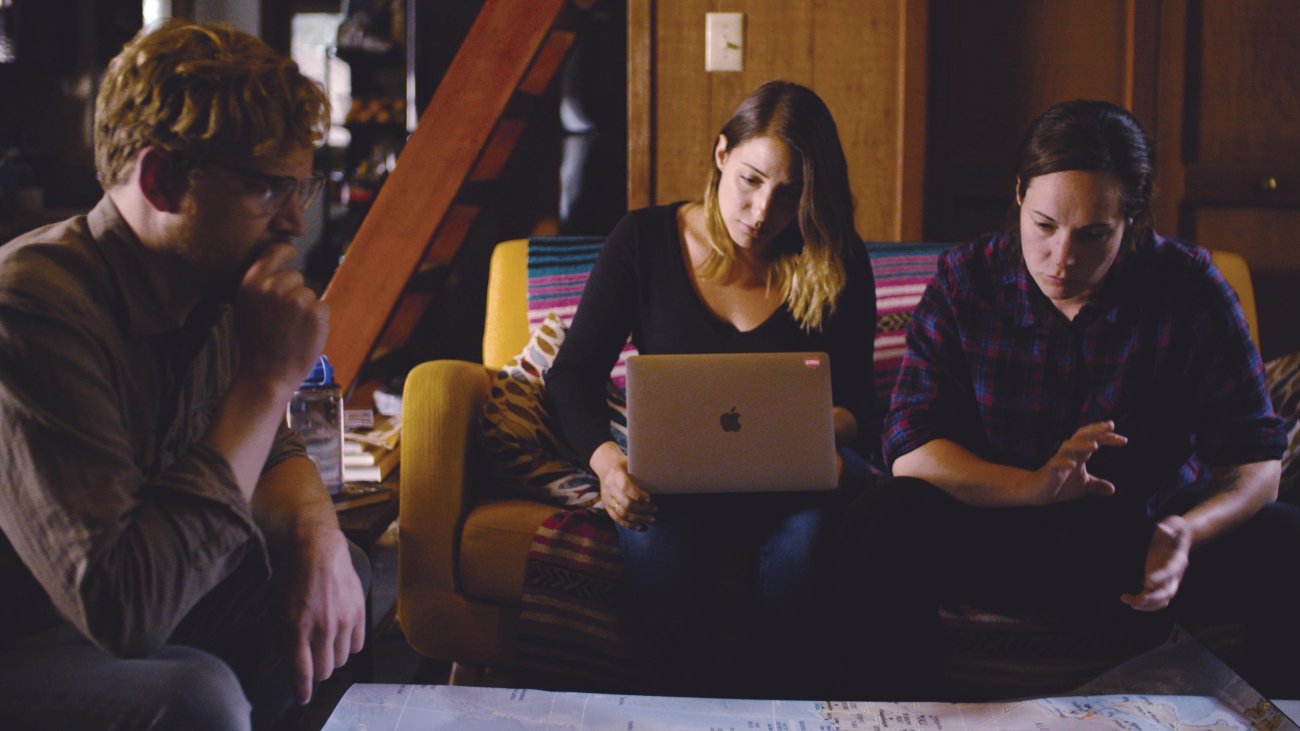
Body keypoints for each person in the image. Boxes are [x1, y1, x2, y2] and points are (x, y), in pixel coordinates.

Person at [841, 99, 1300, 699]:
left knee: (1285, 539)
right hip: (1000, 531)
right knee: (886, 514)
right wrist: (1028, 485)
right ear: (1019, 196)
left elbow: (1256, 463)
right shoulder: (967, 280)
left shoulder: (1189, 286)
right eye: (1044, 226)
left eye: (1093, 234)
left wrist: (1186, 532)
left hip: (1142, 538)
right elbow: (910, 447)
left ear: (1131, 220)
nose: (1062, 258)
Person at [0, 20, 368, 730]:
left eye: (302, 186)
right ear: (162, 179)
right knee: (198, 696)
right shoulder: (32, 309)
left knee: (343, 580)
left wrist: (318, 527)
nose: (295, 221)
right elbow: (123, 606)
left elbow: (273, 452)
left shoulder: (214, 285)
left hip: (127, 598)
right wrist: (266, 379)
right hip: (32, 629)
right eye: (268, 188)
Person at [546, 80, 877, 697]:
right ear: (721, 154)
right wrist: (609, 467)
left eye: (790, 195)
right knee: (660, 579)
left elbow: (864, 402)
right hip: (672, 486)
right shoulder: (643, 241)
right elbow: (571, 377)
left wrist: (816, 429)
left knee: (806, 553)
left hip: (795, 485)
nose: (762, 213)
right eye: (751, 180)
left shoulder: (836, 255)